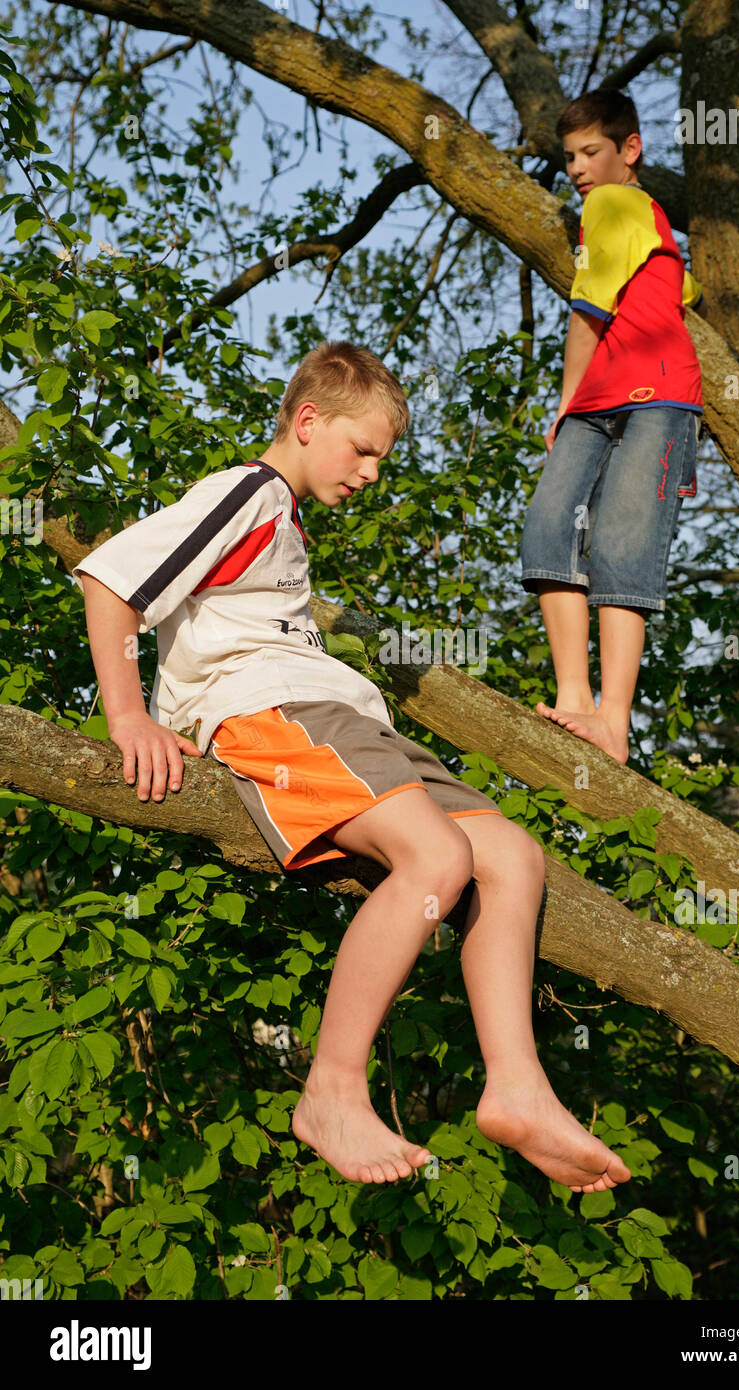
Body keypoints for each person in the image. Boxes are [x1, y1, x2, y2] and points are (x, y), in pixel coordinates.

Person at [74, 340, 631, 1195]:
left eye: (383, 458)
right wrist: (127, 716)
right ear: (306, 421)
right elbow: (114, 581)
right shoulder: (248, 491)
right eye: (362, 449)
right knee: (437, 858)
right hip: (275, 712)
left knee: (513, 857)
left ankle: (518, 1086)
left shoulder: (281, 523)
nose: (372, 472)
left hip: (344, 719)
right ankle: (331, 1089)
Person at [520, 89, 705, 764]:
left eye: (590, 151)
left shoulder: (614, 202)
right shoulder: (639, 219)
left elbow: (588, 311)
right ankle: (575, 701)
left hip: (654, 396)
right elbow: (675, 288)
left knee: (621, 540)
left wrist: (565, 399)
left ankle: (611, 718)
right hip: (609, 396)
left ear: (630, 150)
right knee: (549, 529)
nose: (576, 167)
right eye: (568, 156)